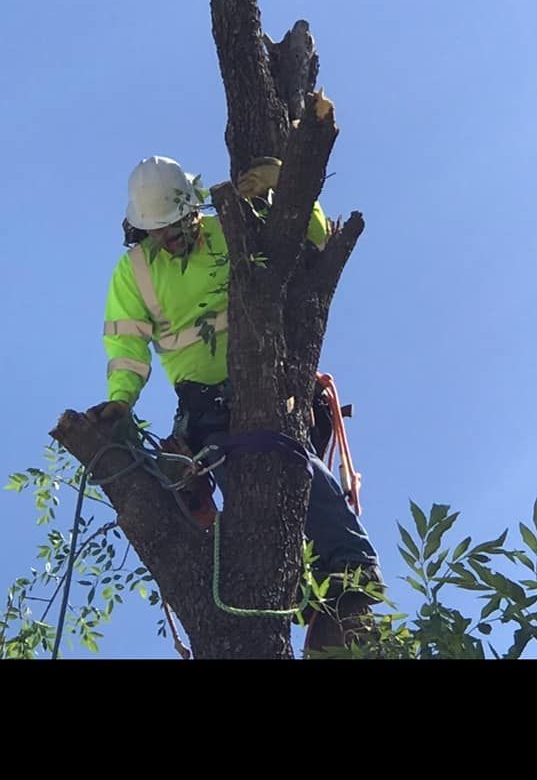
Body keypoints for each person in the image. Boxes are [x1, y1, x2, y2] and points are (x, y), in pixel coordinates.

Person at [88, 155, 382, 651]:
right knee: (251, 474)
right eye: (157, 230)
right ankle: (301, 583)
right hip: (207, 409)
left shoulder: (231, 226)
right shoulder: (135, 272)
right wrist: (119, 403)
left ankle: (348, 580)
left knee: (294, 467)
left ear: (191, 208)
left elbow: (312, 240)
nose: (169, 237)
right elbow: (126, 347)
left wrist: (291, 187)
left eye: (175, 224)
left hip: (276, 385)